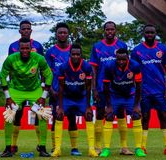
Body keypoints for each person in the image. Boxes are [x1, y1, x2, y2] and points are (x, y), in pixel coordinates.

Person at [0, 37, 53, 157]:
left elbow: (49, 75)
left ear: (31, 48)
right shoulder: (11, 59)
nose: (24, 50)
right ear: (18, 49)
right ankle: (8, 148)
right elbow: (2, 76)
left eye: (27, 48)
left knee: (43, 115)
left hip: (34, 90)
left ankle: (43, 148)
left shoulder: (39, 58)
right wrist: (8, 97)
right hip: (16, 90)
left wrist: (43, 96)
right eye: (22, 48)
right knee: (8, 115)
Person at [131, 24, 166, 155]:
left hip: (160, 90)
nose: (150, 35)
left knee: (163, 116)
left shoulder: (162, 48)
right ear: (143, 34)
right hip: (144, 91)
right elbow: (133, 72)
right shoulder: (136, 51)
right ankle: (142, 147)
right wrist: (136, 90)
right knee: (145, 118)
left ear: (155, 33)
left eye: (152, 33)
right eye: (147, 33)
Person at [89, 21, 132, 155]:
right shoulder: (97, 46)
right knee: (101, 114)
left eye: (112, 29)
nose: (109, 32)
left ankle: (124, 147)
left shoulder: (122, 45)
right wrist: (94, 88)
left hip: (118, 87)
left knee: (121, 114)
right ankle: (97, 146)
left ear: (115, 30)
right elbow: (93, 69)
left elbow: (126, 66)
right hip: (102, 87)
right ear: (104, 31)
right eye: (107, 29)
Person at [51, 44, 98, 157]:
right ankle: (57, 149)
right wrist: (60, 106)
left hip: (81, 98)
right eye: (73, 54)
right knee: (59, 115)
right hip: (67, 97)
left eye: (78, 54)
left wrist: (88, 106)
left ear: (81, 55)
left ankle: (92, 149)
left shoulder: (86, 67)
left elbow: (88, 87)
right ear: (70, 55)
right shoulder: (63, 67)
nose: (76, 56)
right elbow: (61, 87)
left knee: (89, 116)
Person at [7, 20, 44, 154]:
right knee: (17, 114)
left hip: (35, 87)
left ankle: (41, 145)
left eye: (28, 28)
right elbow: (10, 68)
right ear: (20, 31)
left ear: (31, 30)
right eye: (24, 29)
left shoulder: (38, 46)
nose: (26, 30)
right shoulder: (12, 46)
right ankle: (13, 145)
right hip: (17, 88)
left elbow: (43, 67)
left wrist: (44, 86)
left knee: (39, 114)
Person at [101, 48, 146, 157]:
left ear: (128, 58)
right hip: (115, 95)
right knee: (109, 116)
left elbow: (139, 86)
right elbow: (106, 86)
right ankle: (106, 148)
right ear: (116, 58)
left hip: (130, 95)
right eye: (119, 60)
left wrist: (136, 105)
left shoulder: (135, 66)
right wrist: (109, 106)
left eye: (124, 60)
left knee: (136, 115)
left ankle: (138, 148)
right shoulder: (109, 66)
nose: (121, 62)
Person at [45, 22, 80, 155]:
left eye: (65, 32)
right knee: (55, 119)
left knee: (72, 118)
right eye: (60, 32)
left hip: (71, 92)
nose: (62, 35)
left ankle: (74, 148)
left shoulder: (74, 51)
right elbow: (46, 73)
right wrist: (50, 91)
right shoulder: (50, 52)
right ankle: (55, 147)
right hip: (55, 92)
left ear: (68, 34)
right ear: (56, 34)